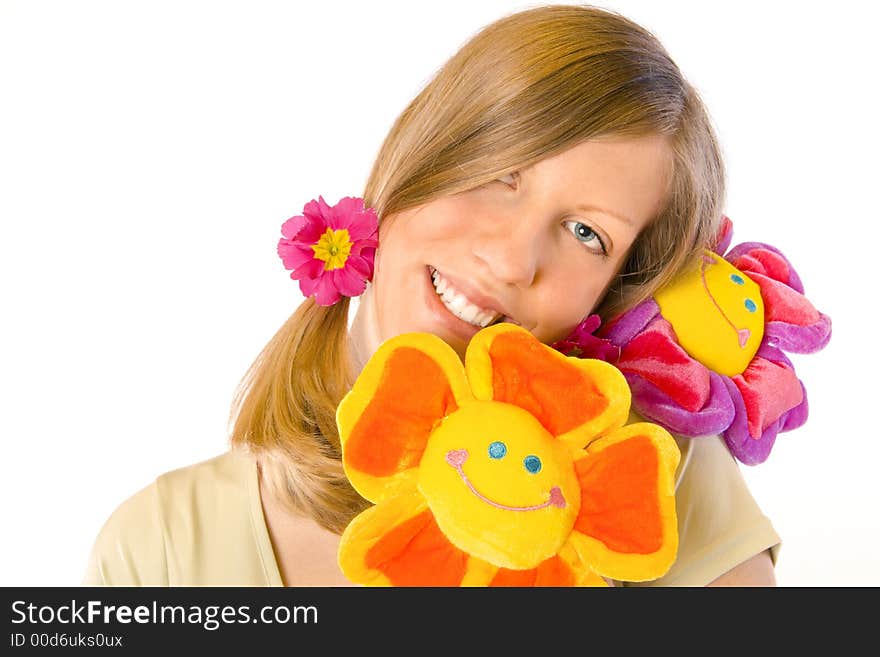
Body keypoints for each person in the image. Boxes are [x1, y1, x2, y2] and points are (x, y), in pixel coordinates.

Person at [82, 4, 779, 587]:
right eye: (504, 171)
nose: (511, 258)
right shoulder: (161, 551)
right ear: (421, 155)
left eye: (584, 232)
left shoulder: (663, 491)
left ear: (610, 297)